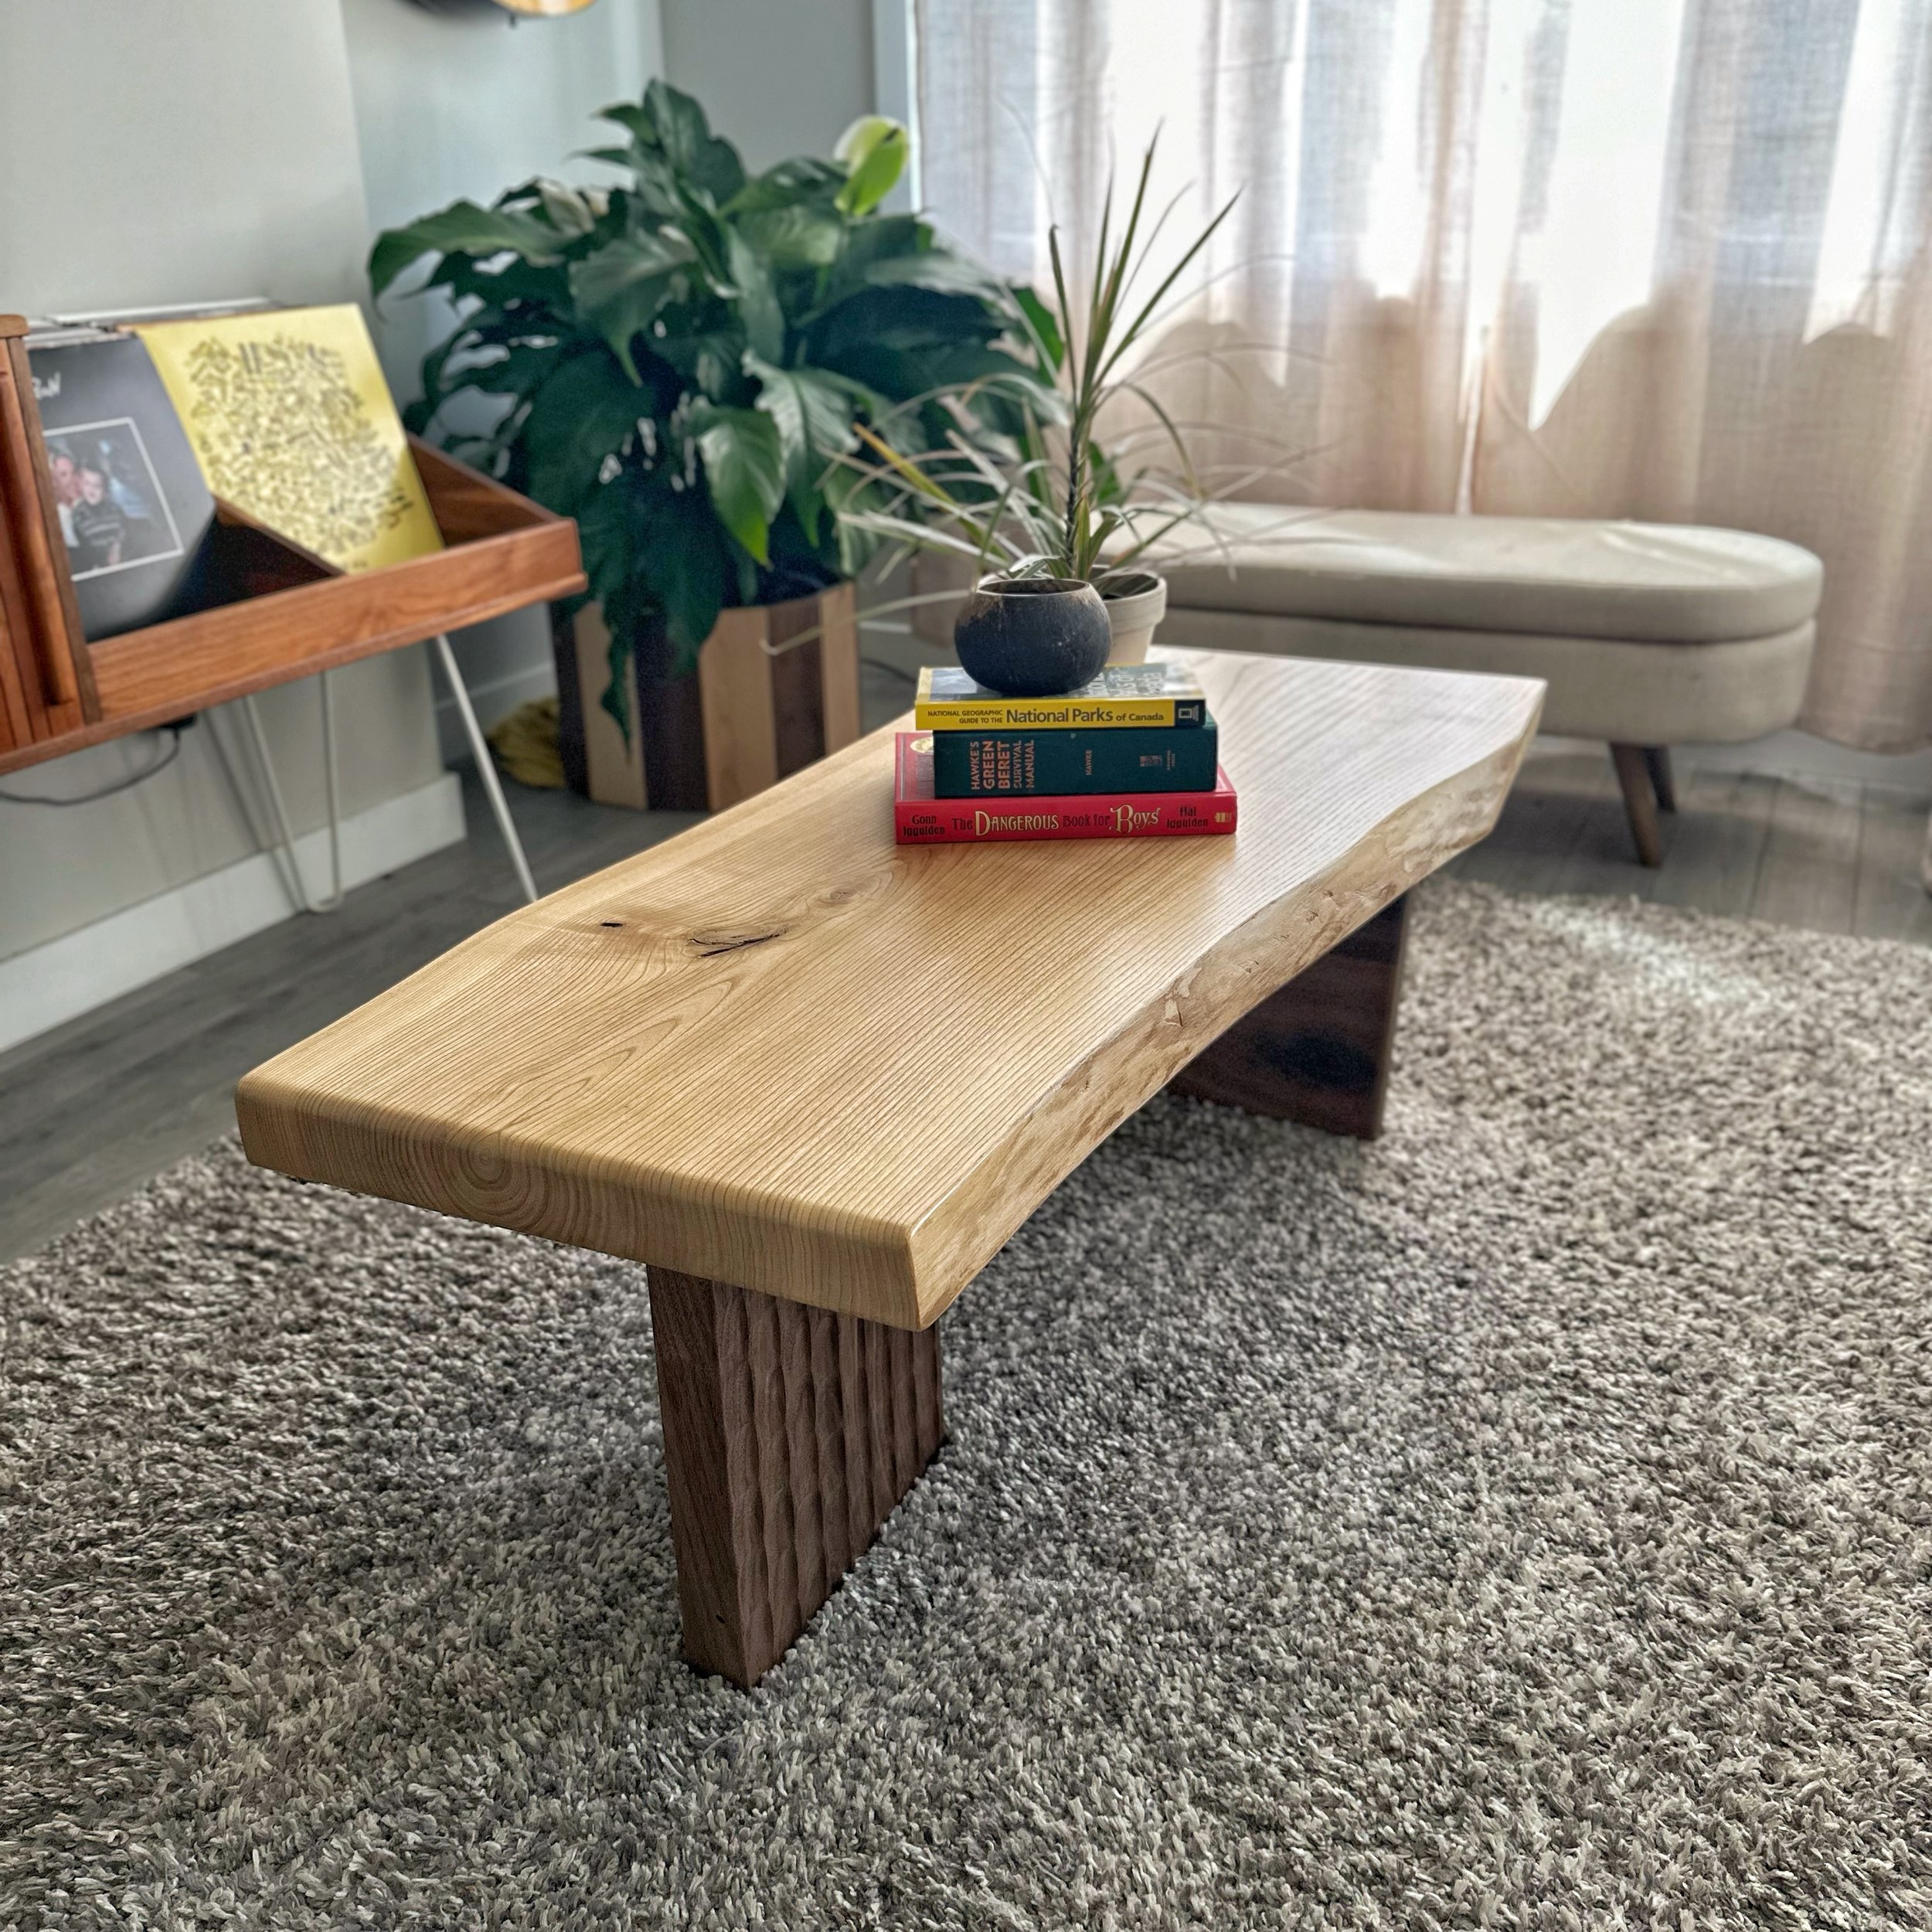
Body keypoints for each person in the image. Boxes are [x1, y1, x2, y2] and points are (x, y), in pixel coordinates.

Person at [70, 464, 125, 573]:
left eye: (97, 485)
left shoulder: (115, 510)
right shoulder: (78, 515)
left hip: (120, 559)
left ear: (105, 489)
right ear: (81, 485)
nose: (92, 489)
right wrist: (95, 563)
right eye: (87, 484)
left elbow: (122, 532)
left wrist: (117, 548)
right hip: (97, 564)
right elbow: (84, 546)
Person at [46, 447, 80, 550]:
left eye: (73, 472)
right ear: (52, 482)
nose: (73, 480)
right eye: (63, 475)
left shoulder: (86, 505)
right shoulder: (57, 519)